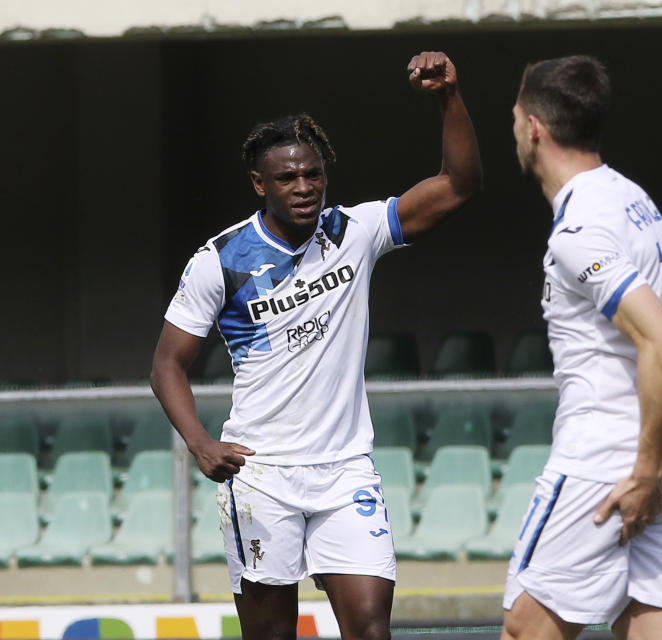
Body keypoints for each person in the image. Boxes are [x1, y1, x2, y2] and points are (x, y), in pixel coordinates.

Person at [150, 51, 481, 640]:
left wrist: (447, 97)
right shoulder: (219, 261)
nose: (304, 188)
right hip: (261, 474)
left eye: (313, 174)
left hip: (345, 470)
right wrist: (201, 445)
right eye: (286, 177)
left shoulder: (355, 231)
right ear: (260, 183)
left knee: (370, 627)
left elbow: (459, 185)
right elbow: (167, 365)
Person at [501, 55, 662, 640]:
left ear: (533, 126)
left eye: (513, 117)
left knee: (523, 630)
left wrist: (643, 472)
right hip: (657, 463)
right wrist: (655, 470)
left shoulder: (579, 229)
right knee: (648, 620)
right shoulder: (632, 198)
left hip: (606, 467)